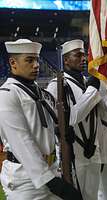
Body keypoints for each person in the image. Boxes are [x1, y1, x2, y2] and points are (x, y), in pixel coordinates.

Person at [0, 39, 82, 200]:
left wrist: (62, 132)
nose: (36, 65)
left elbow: (49, 131)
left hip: (52, 169)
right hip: (26, 180)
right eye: (29, 60)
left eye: (37, 59)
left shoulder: (42, 94)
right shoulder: (7, 94)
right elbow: (21, 142)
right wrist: (53, 183)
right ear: (13, 62)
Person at [47, 39, 103, 200]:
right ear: (65, 60)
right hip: (74, 155)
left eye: (84, 55)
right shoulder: (56, 85)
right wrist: (92, 91)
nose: (84, 59)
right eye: (77, 55)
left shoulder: (86, 83)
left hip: (93, 151)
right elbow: (68, 119)